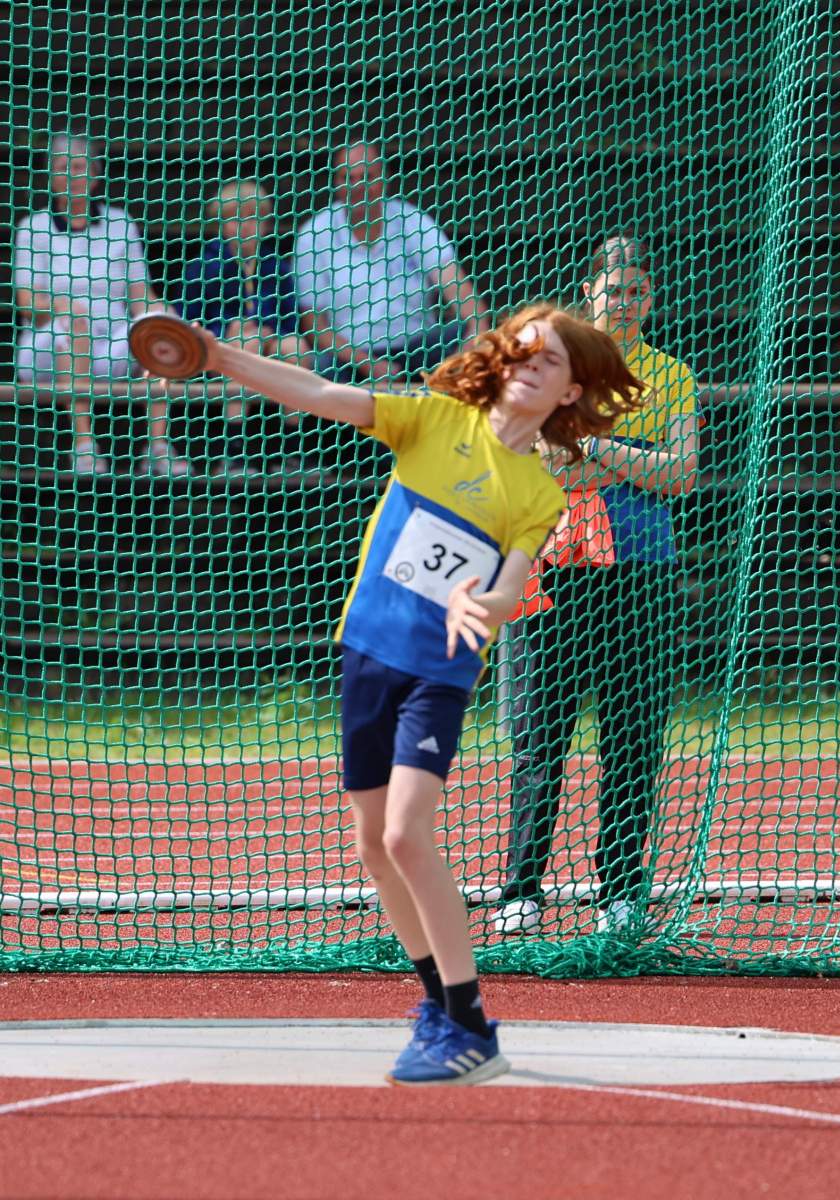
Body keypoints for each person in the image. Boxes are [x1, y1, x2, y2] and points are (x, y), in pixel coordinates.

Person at [191, 301, 641, 1084]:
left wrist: (483, 606)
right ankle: (438, 1005)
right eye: (522, 351)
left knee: (404, 835)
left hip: (441, 670)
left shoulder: (537, 492)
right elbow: (318, 392)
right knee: (372, 843)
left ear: (569, 392)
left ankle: (469, 1022)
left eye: (550, 361)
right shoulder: (432, 420)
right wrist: (221, 357)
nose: (530, 366)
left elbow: (510, 588)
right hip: (368, 653)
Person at [493, 233, 699, 936]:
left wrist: (601, 449)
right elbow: (540, 458)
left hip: (640, 571)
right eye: (615, 291)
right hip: (552, 567)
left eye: (638, 292)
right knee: (539, 733)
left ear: (652, 299)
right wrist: (635, 458)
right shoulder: (554, 364)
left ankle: (619, 890)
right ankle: (521, 890)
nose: (626, 302)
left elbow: (682, 474)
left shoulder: (671, 375)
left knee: (632, 736)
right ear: (591, 294)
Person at [13, 130, 189, 477]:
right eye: (62, 167)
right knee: (73, 327)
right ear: (50, 176)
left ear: (95, 175)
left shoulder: (121, 224)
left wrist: (160, 312)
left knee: (158, 328)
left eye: (79, 167)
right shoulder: (33, 227)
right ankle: (84, 447)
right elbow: (27, 301)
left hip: (110, 349)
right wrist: (63, 308)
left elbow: (139, 293)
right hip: (48, 351)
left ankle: (157, 447)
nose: (71, 175)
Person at [294, 141, 488, 386]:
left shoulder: (414, 222)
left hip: (417, 349)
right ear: (335, 182)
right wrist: (368, 364)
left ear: (384, 179)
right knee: (320, 368)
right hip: (349, 356)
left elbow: (460, 290)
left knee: (464, 334)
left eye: (367, 177)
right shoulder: (314, 235)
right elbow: (315, 327)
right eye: (348, 178)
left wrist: (473, 339)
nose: (357, 186)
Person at [179, 179, 313, 475]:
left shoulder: (275, 266)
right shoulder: (205, 266)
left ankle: (292, 450)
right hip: (220, 350)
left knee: (296, 347)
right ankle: (234, 452)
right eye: (234, 219)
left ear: (265, 224)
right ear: (221, 225)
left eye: (252, 218)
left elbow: (290, 317)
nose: (244, 227)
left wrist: (269, 329)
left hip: (269, 342)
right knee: (244, 341)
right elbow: (189, 320)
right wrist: (224, 329)